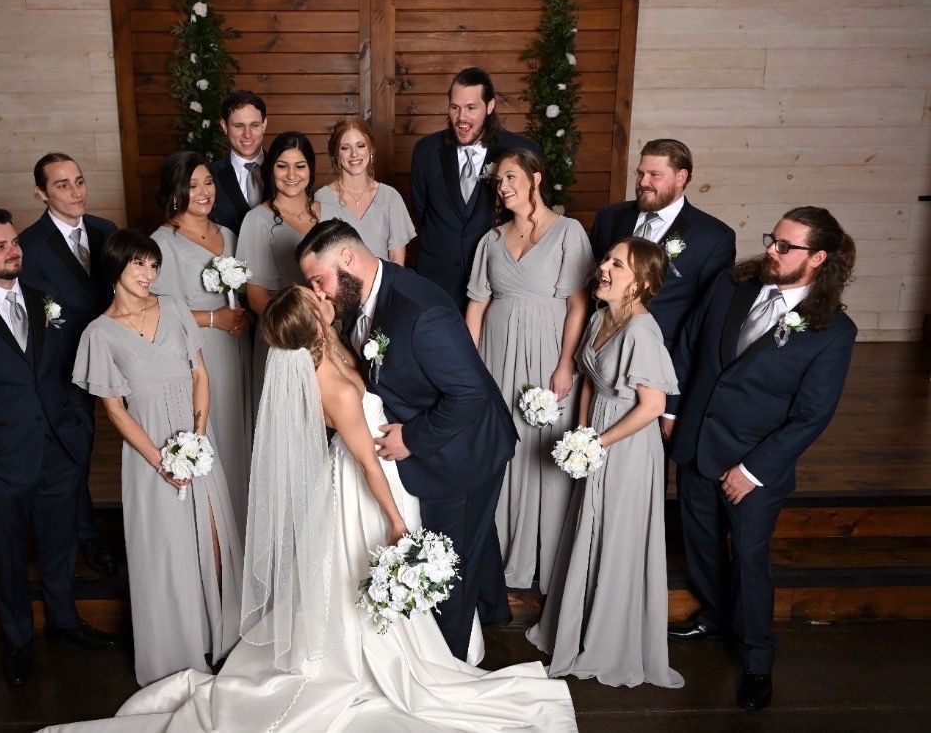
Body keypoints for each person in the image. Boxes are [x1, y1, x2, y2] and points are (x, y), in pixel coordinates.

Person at [42, 285, 578, 732]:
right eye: (314, 295)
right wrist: (395, 522)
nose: (323, 295)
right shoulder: (334, 390)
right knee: (359, 573)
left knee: (347, 575)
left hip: (368, 467)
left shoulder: (333, 350)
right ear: (314, 322)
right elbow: (369, 465)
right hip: (367, 482)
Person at [297, 219, 515, 663]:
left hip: (463, 450)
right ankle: (493, 612)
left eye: (319, 280)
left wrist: (412, 439)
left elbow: (469, 394)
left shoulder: (421, 311)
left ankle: (448, 669)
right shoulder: (364, 296)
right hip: (443, 437)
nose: (318, 292)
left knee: (449, 561)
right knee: (476, 536)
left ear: (350, 260)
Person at [667, 207, 857, 711]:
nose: (772, 250)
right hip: (695, 443)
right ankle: (713, 615)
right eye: (773, 239)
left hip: (755, 466)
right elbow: (689, 346)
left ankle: (756, 660)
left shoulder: (833, 331)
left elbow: (812, 415)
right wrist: (670, 407)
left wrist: (752, 471)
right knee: (700, 540)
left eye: (786, 246)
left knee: (749, 559)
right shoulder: (733, 286)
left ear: (817, 259)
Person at [0, 208, 114, 689]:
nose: (13, 251)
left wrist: (72, 427)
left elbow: (66, 371)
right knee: (9, 556)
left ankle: (65, 622)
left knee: (58, 548)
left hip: (57, 452)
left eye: (15, 242)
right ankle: (18, 641)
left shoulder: (44, 300)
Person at [72, 230, 243, 687]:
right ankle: (179, 650)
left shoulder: (172, 308)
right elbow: (114, 410)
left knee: (213, 542)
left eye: (153, 265)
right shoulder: (99, 334)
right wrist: (162, 461)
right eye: (138, 266)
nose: (148, 275)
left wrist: (199, 442)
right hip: (149, 458)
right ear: (115, 270)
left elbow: (200, 375)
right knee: (167, 554)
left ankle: (226, 641)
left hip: (198, 449)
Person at [526, 238, 683, 689]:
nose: (604, 268)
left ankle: (610, 641)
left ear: (643, 281)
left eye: (618, 264)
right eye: (607, 259)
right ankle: (577, 629)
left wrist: (598, 442)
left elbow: (652, 406)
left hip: (629, 446)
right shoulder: (599, 317)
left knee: (617, 535)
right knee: (588, 529)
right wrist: (579, 433)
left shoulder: (641, 331)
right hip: (596, 434)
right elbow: (591, 381)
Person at [465, 148, 593, 592]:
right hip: (497, 356)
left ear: (536, 178)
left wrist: (565, 365)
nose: (503, 187)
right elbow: (476, 307)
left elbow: (579, 305)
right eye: (499, 180)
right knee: (503, 447)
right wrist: (471, 369)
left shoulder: (569, 232)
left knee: (542, 451)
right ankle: (497, 557)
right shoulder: (491, 240)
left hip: (547, 355)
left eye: (512, 177)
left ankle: (543, 558)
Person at [19, 152, 118, 576]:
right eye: (62, 185)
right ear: (41, 192)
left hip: (118, 356)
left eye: (79, 181)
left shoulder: (105, 231)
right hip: (65, 366)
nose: (76, 192)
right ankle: (85, 536)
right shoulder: (29, 245)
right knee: (77, 451)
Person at [151, 150, 253, 534]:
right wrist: (215, 319)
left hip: (237, 345)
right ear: (175, 192)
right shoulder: (162, 244)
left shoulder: (227, 233)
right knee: (217, 437)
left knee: (242, 433)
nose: (204, 192)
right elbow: (157, 313)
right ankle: (217, 532)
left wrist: (239, 316)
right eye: (192, 186)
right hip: (201, 354)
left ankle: (245, 526)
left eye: (208, 182)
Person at [410, 66, 541, 310]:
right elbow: (421, 210)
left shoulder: (521, 150)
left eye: (471, 108)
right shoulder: (425, 151)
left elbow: (531, 212)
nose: (462, 118)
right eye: (455, 107)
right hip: (437, 282)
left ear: (490, 107)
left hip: (497, 284)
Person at [590, 138, 735, 351]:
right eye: (640, 173)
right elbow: (592, 281)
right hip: (599, 341)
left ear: (680, 177)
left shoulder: (714, 237)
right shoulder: (609, 217)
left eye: (654, 175)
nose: (642, 182)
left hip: (660, 351)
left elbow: (708, 314)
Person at [236, 131, 323, 404]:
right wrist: (298, 329)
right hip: (282, 336)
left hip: (329, 331)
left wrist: (325, 325)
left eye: (300, 166)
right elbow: (255, 295)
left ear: (311, 168)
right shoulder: (256, 220)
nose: (291, 175)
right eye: (282, 166)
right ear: (270, 168)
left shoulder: (331, 212)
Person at [316, 116, 414, 264]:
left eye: (361, 145)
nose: (354, 154)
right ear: (336, 154)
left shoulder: (390, 197)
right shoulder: (321, 199)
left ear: (370, 149)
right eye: (345, 148)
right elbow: (318, 260)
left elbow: (397, 262)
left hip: (383, 286)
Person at [209, 90, 267, 236]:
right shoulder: (210, 176)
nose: (247, 134)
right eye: (239, 126)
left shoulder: (284, 171)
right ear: (224, 126)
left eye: (254, 125)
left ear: (264, 125)